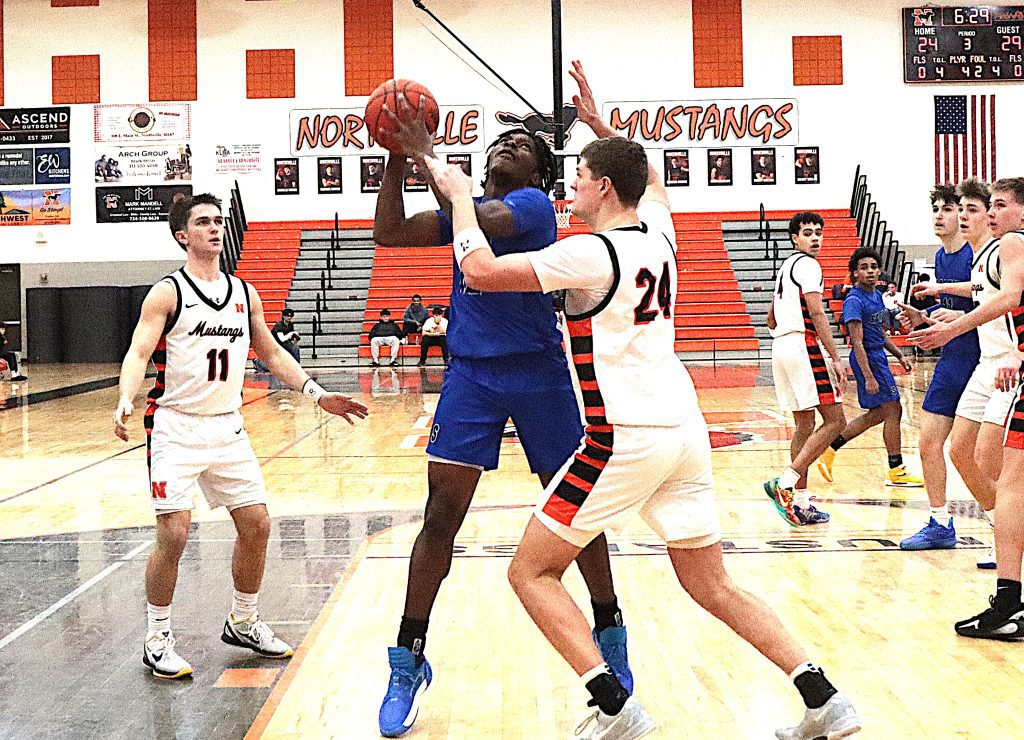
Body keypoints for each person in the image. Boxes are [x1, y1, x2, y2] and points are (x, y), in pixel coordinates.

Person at [422, 58, 861, 740]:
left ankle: (614, 708)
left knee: (531, 572)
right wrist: (601, 124)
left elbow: (478, 270)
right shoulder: (660, 232)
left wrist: (456, 195)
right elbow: (648, 174)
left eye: (579, 177)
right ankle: (825, 698)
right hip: (683, 433)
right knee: (711, 584)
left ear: (600, 188)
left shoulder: (590, 253)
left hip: (620, 438)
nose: (569, 186)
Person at [371, 92, 630, 738]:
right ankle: (408, 659)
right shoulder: (465, 209)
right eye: (502, 146)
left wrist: (426, 152)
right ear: (484, 168)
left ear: (541, 176)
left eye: (525, 147)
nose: (510, 146)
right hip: (473, 375)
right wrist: (396, 162)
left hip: (541, 374)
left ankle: (610, 629)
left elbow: (477, 216)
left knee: (575, 511)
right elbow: (388, 233)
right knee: (440, 517)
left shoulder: (532, 208)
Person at [112, 193, 367, 679]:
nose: (214, 227)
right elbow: (138, 352)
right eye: (203, 222)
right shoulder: (167, 293)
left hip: (227, 427)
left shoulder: (244, 292)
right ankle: (157, 636)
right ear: (182, 235)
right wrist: (125, 396)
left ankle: (244, 621)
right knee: (175, 532)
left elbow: (271, 353)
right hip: (175, 426)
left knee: (258, 526)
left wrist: (318, 394)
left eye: (219, 221)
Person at [909, 176, 1024, 638]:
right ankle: (1008, 551)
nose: (989, 213)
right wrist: (949, 308)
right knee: (974, 457)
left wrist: (954, 331)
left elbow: (1012, 297)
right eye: (984, 207)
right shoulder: (990, 253)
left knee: (1006, 477)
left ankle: (1009, 588)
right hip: (998, 362)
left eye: (997, 205)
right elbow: (993, 298)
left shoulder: (1013, 242)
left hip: (1005, 364)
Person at [898, 183, 992, 553]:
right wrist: (920, 318)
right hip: (952, 359)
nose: (941, 215)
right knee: (927, 443)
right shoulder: (939, 258)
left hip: (981, 359)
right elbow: (948, 314)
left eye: (950, 209)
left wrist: (958, 315)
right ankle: (939, 521)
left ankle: (1002, 522)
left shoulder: (979, 255)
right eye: (937, 209)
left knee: (978, 453)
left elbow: (991, 305)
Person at [763, 212, 847, 526]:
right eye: (808, 233)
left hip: (780, 346)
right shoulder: (809, 265)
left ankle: (800, 502)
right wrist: (835, 356)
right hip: (802, 343)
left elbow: (770, 316)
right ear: (795, 238)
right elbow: (815, 309)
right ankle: (784, 483)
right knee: (836, 420)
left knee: (804, 425)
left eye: (818, 233)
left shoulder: (785, 267)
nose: (815, 238)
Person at [817, 248, 922, 488]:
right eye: (864, 268)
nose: (870, 271)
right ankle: (896, 470)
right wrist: (868, 376)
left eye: (874, 267)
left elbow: (880, 333)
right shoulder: (854, 301)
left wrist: (899, 356)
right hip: (867, 360)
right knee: (894, 410)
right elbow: (857, 342)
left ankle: (830, 449)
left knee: (879, 413)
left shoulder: (876, 295)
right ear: (855, 273)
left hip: (878, 358)